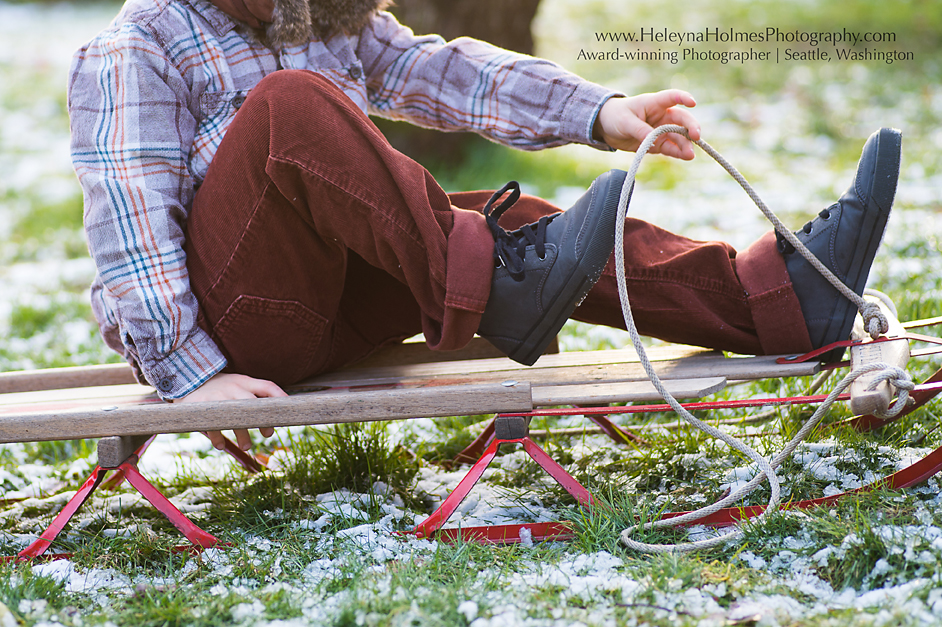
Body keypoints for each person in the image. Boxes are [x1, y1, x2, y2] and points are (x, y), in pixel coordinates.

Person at [68, 0, 901, 450]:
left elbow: (444, 71)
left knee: (520, 230)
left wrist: (600, 112)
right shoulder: (141, 43)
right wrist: (190, 371)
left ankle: (781, 297)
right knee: (290, 107)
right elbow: (128, 225)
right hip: (239, 327)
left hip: (334, 303)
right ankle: (496, 282)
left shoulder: (317, 13)